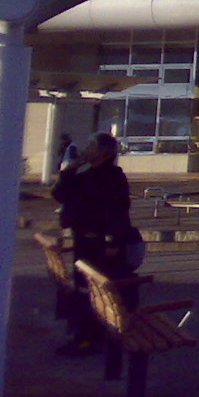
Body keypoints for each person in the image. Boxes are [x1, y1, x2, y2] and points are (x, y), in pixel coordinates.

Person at [51, 132, 141, 354]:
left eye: (91, 145)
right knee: (84, 289)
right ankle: (84, 335)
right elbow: (60, 194)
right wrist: (68, 170)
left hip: (99, 244)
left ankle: (90, 339)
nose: (86, 149)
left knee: (92, 289)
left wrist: (111, 241)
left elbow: (114, 213)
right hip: (84, 241)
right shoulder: (88, 174)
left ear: (103, 152)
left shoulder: (111, 177)